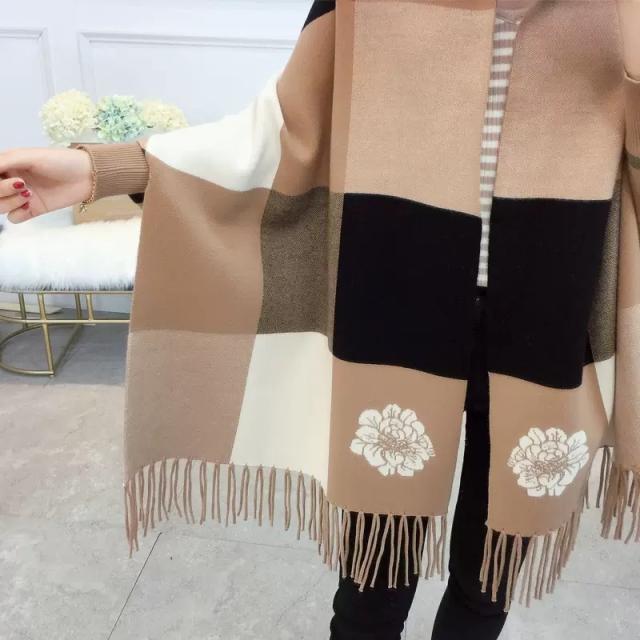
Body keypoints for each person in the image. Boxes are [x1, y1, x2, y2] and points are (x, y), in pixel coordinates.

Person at [0, 2, 638, 639]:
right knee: (373, 582)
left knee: (488, 580)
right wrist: (99, 170)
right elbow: (277, 132)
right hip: (396, 312)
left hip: (554, 318)